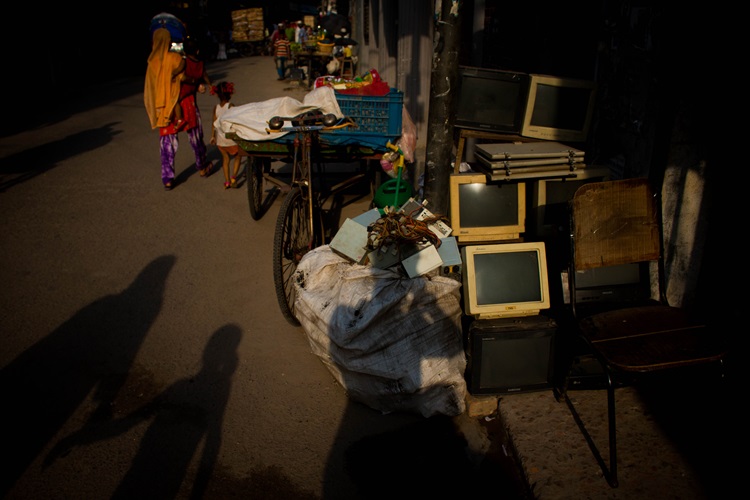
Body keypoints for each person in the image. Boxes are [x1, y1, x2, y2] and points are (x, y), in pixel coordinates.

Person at [144, 28, 213, 190]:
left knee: (167, 143)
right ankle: (202, 166)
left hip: (164, 107)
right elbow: (182, 78)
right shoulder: (175, 58)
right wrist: (197, 84)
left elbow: (150, 90)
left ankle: (168, 178)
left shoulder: (151, 64)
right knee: (195, 136)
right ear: (167, 42)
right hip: (184, 102)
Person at [210, 82, 242, 189]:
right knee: (238, 156)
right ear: (230, 94)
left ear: (217, 95)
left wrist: (212, 136)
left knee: (225, 159)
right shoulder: (230, 106)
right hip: (230, 139)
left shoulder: (216, 108)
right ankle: (233, 178)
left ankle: (227, 181)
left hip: (220, 140)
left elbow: (214, 123)